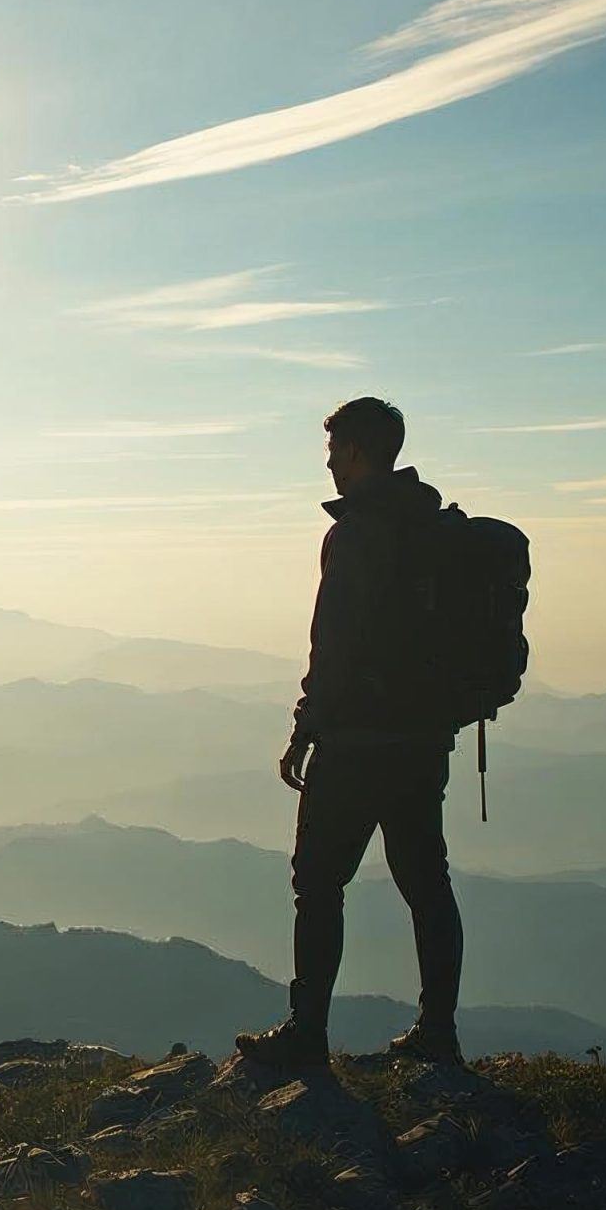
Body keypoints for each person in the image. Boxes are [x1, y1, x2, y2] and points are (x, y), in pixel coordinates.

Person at [235, 396, 465, 1071]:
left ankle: (307, 1036)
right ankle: (439, 1033)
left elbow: (331, 647)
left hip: (360, 743)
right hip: (425, 740)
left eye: (335, 451)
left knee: (318, 883)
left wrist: (305, 730)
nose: (330, 465)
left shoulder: (357, 532)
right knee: (427, 882)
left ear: (358, 452)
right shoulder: (430, 525)